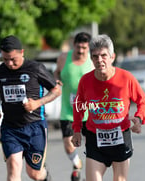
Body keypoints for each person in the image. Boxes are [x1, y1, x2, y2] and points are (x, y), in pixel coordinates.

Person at [71, 34, 145, 181]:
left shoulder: (126, 78)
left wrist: (139, 119)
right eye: (95, 56)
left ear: (112, 57)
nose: (99, 60)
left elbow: (143, 101)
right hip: (95, 138)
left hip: (120, 138)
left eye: (103, 55)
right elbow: (79, 106)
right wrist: (76, 130)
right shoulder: (85, 81)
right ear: (91, 59)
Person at [0, 35, 61, 181]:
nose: (9, 63)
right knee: (13, 169)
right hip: (11, 128)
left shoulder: (35, 68)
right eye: (5, 59)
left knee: (34, 174)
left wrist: (37, 103)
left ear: (22, 52)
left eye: (13, 59)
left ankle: (45, 175)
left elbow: (56, 90)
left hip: (35, 127)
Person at [54, 32, 93, 181]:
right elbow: (56, 73)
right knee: (68, 145)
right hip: (68, 111)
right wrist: (57, 81)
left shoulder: (92, 59)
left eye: (84, 47)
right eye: (78, 47)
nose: (81, 50)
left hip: (89, 113)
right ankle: (77, 164)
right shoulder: (64, 58)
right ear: (73, 45)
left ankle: (91, 175)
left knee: (92, 147)